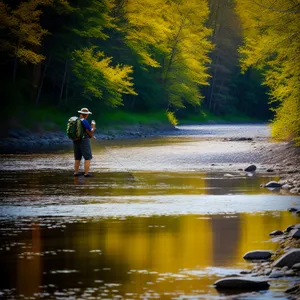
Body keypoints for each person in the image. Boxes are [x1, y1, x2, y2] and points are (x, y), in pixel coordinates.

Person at [73, 107, 96, 177]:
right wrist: (93, 126)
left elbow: (84, 131)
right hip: (84, 141)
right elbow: (90, 131)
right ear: (86, 115)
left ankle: (76, 172)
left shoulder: (75, 121)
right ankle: (86, 173)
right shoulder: (84, 121)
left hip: (75, 140)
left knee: (77, 157)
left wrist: (92, 136)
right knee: (88, 157)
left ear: (80, 114)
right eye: (87, 114)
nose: (88, 115)